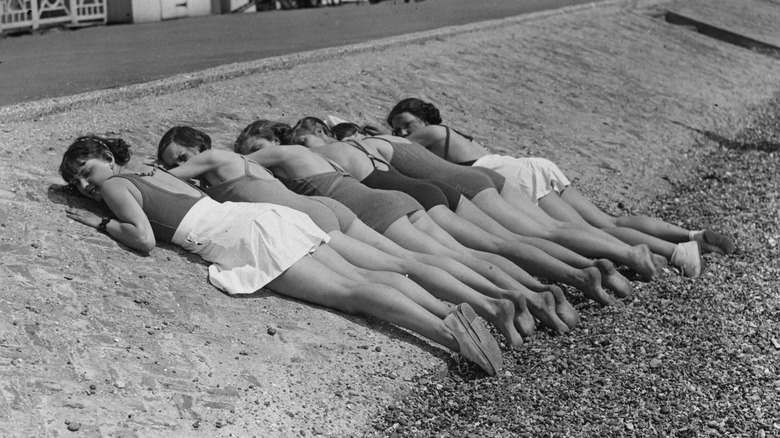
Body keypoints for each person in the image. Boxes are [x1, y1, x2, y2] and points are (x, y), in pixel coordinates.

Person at [59, 135, 503, 376]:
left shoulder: (116, 185)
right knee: (362, 275)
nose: (85, 185)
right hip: (262, 217)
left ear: (105, 157)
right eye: (76, 182)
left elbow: (143, 238)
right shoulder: (151, 170)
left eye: (86, 171)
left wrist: (99, 222)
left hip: (244, 236)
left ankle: (453, 338)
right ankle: (451, 313)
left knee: (353, 292)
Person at [156, 126, 535, 346]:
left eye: (178, 155)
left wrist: (159, 171)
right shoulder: (238, 164)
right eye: (172, 160)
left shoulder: (214, 159)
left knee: (377, 275)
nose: (176, 164)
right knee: (406, 262)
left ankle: (482, 308)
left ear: (195, 148)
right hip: (325, 208)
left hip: (307, 219)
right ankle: (488, 302)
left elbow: (163, 182)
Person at [232, 120, 583, 329]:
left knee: (436, 260)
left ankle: (512, 299)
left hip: (377, 203)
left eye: (259, 145)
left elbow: (234, 164)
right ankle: (536, 291)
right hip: (410, 192)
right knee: (481, 249)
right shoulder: (346, 145)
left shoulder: (284, 156)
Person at [288, 117, 635, 304]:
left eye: (303, 139)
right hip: (461, 179)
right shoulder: (372, 142)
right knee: (532, 233)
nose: (301, 148)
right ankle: (593, 265)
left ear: (321, 131)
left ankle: (570, 276)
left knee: (494, 246)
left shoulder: (332, 152)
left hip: (422, 194)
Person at [382, 97, 736, 257]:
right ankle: (692, 235)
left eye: (407, 124)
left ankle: (677, 252)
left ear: (424, 120)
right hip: (530, 166)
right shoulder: (448, 134)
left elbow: (392, 148)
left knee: (595, 231)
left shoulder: (429, 134)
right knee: (608, 220)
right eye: (398, 128)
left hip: (513, 178)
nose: (402, 133)